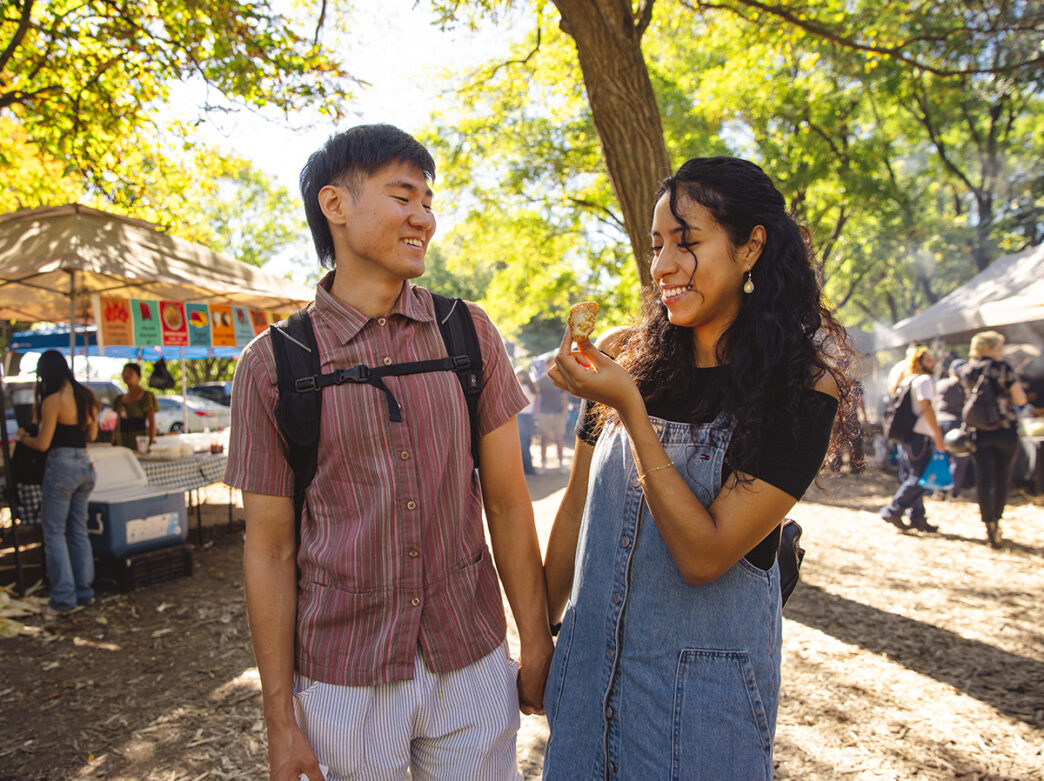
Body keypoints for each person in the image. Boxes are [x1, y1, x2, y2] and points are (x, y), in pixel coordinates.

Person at [224, 124, 552, 781]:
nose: (423, 218)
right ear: (335, 205)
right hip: (343, 679)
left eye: (429, 202)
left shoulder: (469, 334)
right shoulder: (273, 367)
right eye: (404, 196)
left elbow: (510, 505)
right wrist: (281, 721)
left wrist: (536, 638)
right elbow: (269, 548)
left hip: (471, 663)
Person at [541, 157, 852, 779]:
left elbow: (704, 555)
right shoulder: (627, 358)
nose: (663, 266)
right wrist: (538, 638)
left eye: (688, 243)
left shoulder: (801, 390)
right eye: (657, 246)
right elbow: (574, 509)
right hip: (581, 692)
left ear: (749, 248)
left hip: (702, 717)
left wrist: (629, 407)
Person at [15, 350, 99, 616]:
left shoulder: (53, 401)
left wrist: (22, 438)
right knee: (78, 530)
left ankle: (63, 597)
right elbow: (93, 434)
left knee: (53, 532)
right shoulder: (86, 396)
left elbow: (42, 443)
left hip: (60, 467)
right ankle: (84, 592)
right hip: (85, 466)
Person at [958, 331, 1028, 547]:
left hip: (979, 432)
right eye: (998, 347)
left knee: (983, 479)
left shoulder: (967, 370)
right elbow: (1020, 398)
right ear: (987, 348)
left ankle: (987, 521)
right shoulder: (1003, 368)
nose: (1001, 352)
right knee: (1001, 478)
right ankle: (996, 520)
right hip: (1005, 430)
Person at [880, 346, 946, 531]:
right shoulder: (924, 380)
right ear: (918, 362)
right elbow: (927, 407)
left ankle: (917, 517)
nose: (933, 364)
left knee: (912, 476)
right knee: (920, 478)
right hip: (920, 436)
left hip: (908, 436)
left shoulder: (907, 380)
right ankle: (893, 510)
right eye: (928, 360)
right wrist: (938, 435)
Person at [935, 358, 970, 498]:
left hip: (938, 422)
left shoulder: (940, 384)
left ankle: (938, 490)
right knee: (958, 459)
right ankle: (952, 492)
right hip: (956, 424)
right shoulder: (964, 386)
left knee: (941, 457)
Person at [111, 362, 157, 450]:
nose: (126, 375)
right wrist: (114, 438)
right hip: (122, 439)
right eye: (124, 373)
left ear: (138, 376)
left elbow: (151, 421)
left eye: (130, 373)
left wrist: (151, 441)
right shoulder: (120, 399)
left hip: (139, 440)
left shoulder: (146, 396)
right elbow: (118, 421)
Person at [535, 365, 567, 472]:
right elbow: (536, 395)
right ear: (547, 365)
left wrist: (564, 410)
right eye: (551, 363)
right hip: (544, 413)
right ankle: (543, 463)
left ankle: (561, 464)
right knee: (544, 439)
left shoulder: (560, 378)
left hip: (558, 413)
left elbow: (564, 395)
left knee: (559, 439)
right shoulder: (541, 381)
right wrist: (537, 411)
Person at [516, 367, 538, 474]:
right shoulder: (532, 387)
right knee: (527, 443)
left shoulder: (523, 387)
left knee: (523, 444)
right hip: (529, 416)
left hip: (521, 417)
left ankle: (525, 468)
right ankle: (529, 468)